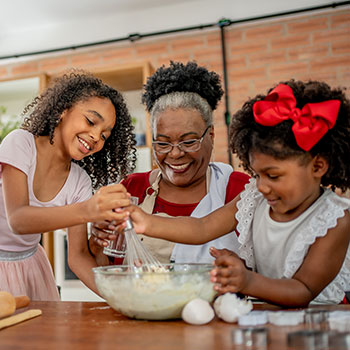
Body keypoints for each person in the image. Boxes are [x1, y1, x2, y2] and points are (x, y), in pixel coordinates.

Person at [123, 79, 350, 307]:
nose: (261, 186)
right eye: (257, 174)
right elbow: (202, 228)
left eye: (273, 176)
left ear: (318, 167)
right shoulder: (256, 198)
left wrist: (248, 280)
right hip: (269, 316)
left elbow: (303, 289)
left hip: (319, 323)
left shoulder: (334, 219)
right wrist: (146, 223)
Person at [91, 61, 250, 264]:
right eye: (163, 143)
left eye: (189, 141)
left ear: (210, 135)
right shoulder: (132, 189)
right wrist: (97, 243)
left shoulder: (236, 189)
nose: (175, 154)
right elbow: (110, 270)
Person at [0, 70, 135, 300]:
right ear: (63, 110)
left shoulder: (79, 181)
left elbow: (78, 256)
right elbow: (19, 220)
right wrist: (88, 210)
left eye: (104, 135)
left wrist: (119, 298)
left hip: (32, 266)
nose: (95, 136)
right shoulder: (20, 144)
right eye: (91, 121)